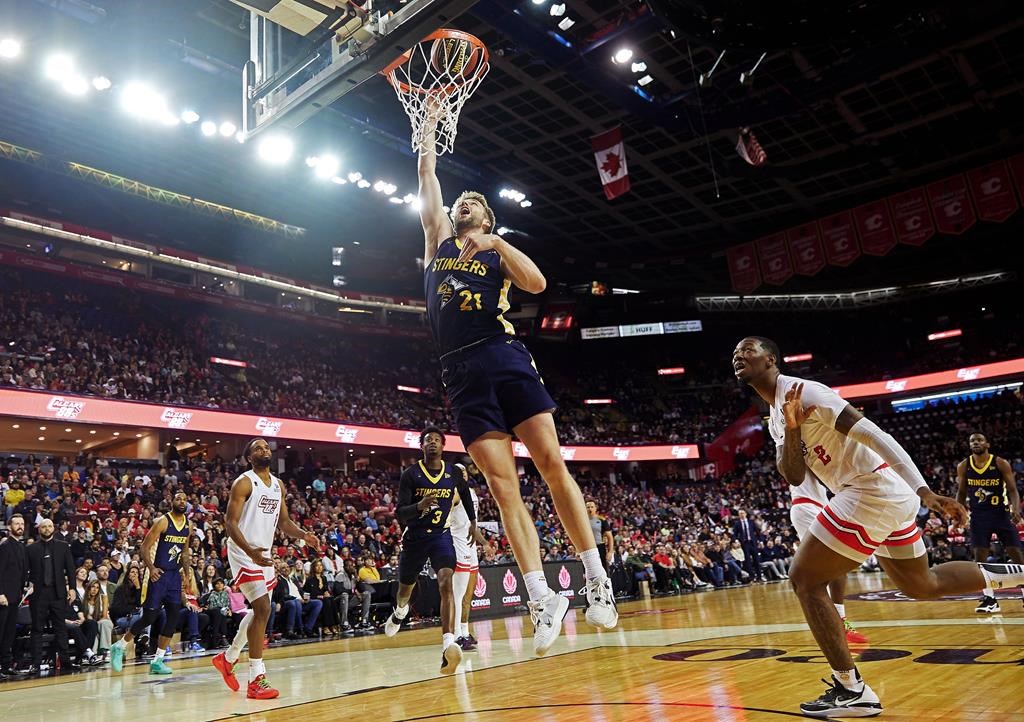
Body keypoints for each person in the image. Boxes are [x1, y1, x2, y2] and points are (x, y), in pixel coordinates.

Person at [733, 336, 1024, 718]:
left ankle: (852, 689)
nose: (738, 356)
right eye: (735, 353)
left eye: (748, 349)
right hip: (878, 494)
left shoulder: (808, 392)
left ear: (771, 359)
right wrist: (790, 429)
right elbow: (793, 474)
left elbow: (876, 436)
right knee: (922, 585)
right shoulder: (775, 415)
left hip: (871, 489)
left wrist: (924, 490)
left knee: (804, 579)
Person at [416, 112, 617, 657]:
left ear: (487, 219)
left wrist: (497, 244)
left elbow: (538, 283)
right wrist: (429, 133)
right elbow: (427, 177)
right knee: (504, 491)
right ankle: (539, 596)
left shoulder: (496, 255)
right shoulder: (437, 241)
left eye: (473, 205)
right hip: (458, 374)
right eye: (460, 204)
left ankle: (596, 578)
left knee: (551, 465)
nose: (462, 206)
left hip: (502, 356)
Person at [212, 438, 319, 700]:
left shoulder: (278, 485)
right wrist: (250, 553)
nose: (264, 450)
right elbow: (230, 523)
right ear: (249, 457)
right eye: (257, 448)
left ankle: (228, 658)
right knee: (262, 609)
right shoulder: (244, 482)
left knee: (259, 611)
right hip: (243, 552)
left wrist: (305, 535)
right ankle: (256, 679)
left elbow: (284, 522)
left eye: (266, 447)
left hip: (264, 554)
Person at [384, 427, 474, 675]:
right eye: (427, 440)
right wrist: (419, 505)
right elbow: (399, 512)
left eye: (436, 439)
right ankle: (400, 611)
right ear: (421, 446)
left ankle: (448, 643)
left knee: (446, 583)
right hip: (414, 537)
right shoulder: (410, 475)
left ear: (443, 446)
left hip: (441, 537)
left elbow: (465, 495)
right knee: (405, 590)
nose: (432, 442)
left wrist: (474, 522)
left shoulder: (454, 473)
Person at [110, 491, 193, 675]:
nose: (182, 501)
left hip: (173, 576)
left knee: (173, 616)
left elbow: (185, 552)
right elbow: (145, 547)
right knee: (149, 617)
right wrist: (151, 568)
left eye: (184, 499)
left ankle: (158, 660)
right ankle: (120, 645)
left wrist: (186, 575)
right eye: (178, 498)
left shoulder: (188, 524)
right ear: (171, 501)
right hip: (158, 574)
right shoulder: (163, 521)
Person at [956, 432, 1024, 613]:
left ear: (987, 444)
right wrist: (958, 512)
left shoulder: (1000, 463)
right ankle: (990, 599)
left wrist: (1015, 509)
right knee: (980, 560)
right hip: (978, 516)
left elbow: (1012, 490)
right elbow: (961, 493)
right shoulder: (964, 466)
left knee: (1016, 554)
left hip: (1001, 514)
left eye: (979, 440)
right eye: (972, 441)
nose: (975, 443)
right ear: (969, 445)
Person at [25, 518, 77, 674]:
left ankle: (66, 661)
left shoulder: (63, 546)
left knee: (60, 628)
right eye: (44, 527)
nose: (47, 529)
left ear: (53, 529)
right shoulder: (31, 549)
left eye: (49, 526)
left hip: (58, 593)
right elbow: (24, 572)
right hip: (38, 594)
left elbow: (70, 568)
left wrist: (73, 588)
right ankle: (35, 663)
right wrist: (27, 585)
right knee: (37, 629)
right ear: (39, 529)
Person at [449, 462, 487, 651]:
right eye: (458, 471)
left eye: (464, 471)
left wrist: (485, 543)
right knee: (458, 594)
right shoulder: (453, 492)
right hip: (458, 543)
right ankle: (456, 635)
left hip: (471, 545)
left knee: (468, 595)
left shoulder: (471, 492)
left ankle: (464, 630)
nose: (462, 474)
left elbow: (473, 524)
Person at [0, 513, 28, 678]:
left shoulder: (21, 547)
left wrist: (26, 586)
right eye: (17, 524)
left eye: (22, 524)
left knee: (10, 633)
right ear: (10, 527)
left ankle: (5, 666)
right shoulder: (4, 546)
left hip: (15, 597)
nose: (20, 526)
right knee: (1, 631)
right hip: (4, 597)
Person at [586, 500, 615, 574]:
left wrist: (610, 551)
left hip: (600, 547)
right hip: (587, 548)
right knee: (589, 571)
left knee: (603, 570)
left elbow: (610, 537)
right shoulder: (583, 520)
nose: (590, 509)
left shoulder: (602, 520)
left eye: (592, 507)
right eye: (588, 507)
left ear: (595, 508)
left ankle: (605, 585)